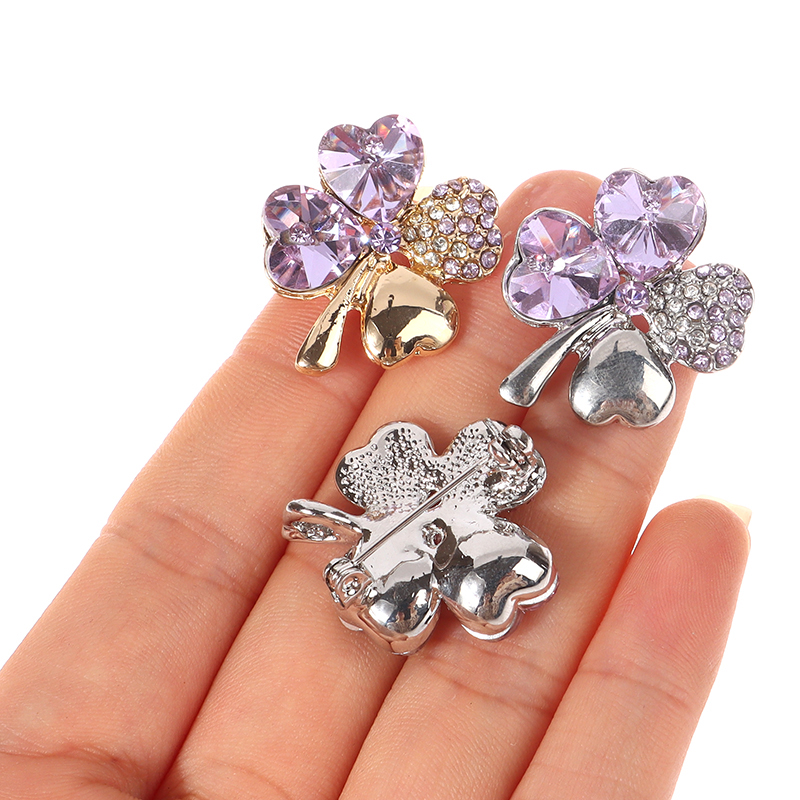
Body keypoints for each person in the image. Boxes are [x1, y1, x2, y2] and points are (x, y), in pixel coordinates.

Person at [0, 172, 749, 799]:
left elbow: (499, 470)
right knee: (438, 576)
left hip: (461, 507)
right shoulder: (402, 500)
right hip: (415, 524)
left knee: (486, 563)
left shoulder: (455, 480)